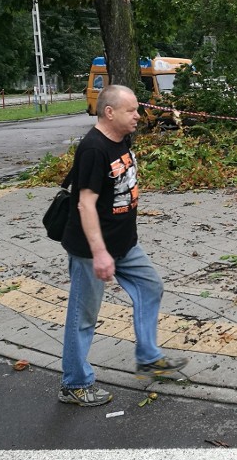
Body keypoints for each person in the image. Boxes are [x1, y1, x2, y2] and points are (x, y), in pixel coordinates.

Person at [59, 84, 186, 406]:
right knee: (83, 316)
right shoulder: (93, 149)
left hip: (124, 244)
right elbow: (85, 204)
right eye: (132, 110)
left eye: (138, 109)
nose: (139, 116)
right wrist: (100, 253)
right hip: (93, 249)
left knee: (150, 287)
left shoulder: (121, 139)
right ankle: (75, 384)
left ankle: (147, 357)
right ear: (109, 112)